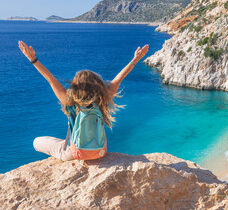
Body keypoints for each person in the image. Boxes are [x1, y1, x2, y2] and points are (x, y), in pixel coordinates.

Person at [18, 41, 149, 161]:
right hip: (100, 151)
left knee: (37, 141)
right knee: (57, 142)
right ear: (98, 85)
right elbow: (119, 78)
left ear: (75, 85)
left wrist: (32, 59)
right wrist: (135, 59)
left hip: (74, 153)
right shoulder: (102, 98)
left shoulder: (69, 101)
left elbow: (50, 79)